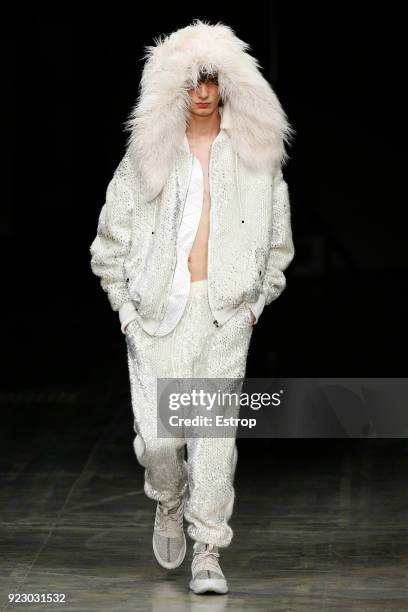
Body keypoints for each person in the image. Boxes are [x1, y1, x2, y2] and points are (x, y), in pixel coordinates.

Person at [89, 18, 295, 595]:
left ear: (229, 83)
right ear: (171, 87)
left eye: (211, 79)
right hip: (156, 315)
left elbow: (277, 242)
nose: (202, 92)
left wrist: (254, 304)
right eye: (191, 81)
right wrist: (125, 310)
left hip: (224, 313)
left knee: (212, 438)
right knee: (159, 442)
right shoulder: (148, 155)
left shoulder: (257, 155)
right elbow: (111, 240)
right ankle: (168, 498)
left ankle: (208, 550)